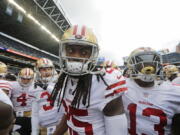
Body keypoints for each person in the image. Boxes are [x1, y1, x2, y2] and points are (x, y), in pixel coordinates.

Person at [51, 25, 127, 135]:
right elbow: (69, 113)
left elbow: (117, 131)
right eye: (70, 50)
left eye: (84, 52)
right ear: (63, 51)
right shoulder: (64, 79)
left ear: (93, 54)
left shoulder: (105, 83)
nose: (76, 56)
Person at [122, 47, 180, 135]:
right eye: (142, 63)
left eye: (152, 62)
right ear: (131, 66)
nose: (148, 66)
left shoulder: (174, 91)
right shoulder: (121, 86)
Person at [32, 58, 63, 135]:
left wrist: (47, 87)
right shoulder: (34, 87)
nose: (47, 71)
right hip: (44, 128)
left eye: (49, 69)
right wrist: (34, 132)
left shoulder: (61, 81)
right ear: (37, 71)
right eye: (43, 69)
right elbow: (35, 113)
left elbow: (64, 99)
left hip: (61, 126)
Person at [11, 68, 35, 135]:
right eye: (23, 78)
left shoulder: (36, 86)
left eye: (28, 79)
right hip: (14, 114)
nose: (25, 81)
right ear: (19, 77)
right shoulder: (12, 84)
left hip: (29, 115)